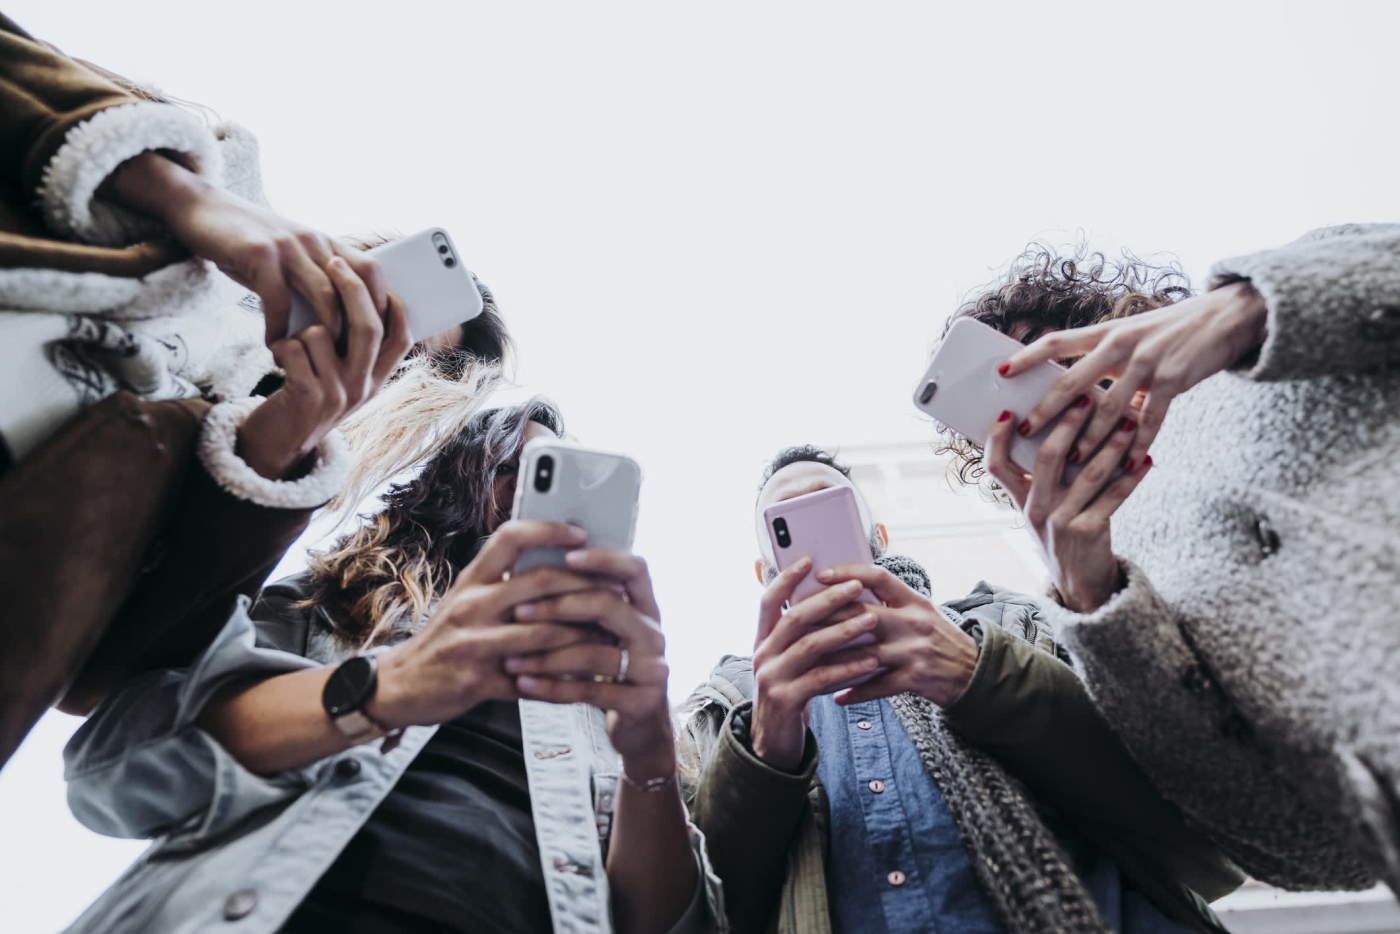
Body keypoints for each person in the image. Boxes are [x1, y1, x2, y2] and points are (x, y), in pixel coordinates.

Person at [0, 12, 507, 766]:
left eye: (403, 362)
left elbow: (102, 680)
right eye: (384, 311)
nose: (373, 344)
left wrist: (285, 437)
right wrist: (181, 197)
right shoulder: (212, 169)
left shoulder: (256, 482)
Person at [62, 400, 724, 934]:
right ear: (458, 481)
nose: (528, 495)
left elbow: (673, 924)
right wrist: (389, 686)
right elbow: (114, 768)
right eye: (510, 467)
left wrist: (650, 763)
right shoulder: (333, 598)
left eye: (550, 476)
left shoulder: (610, 694)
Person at [935, 229, 1400, 892]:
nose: (1041, 401)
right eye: (1000, 413)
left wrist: (1252, 308)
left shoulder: (1267, 335)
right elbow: (1312, 855)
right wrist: (1098, 604)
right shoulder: (1104, 592)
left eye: (1044, 354)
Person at [679, 446, 1241, 934]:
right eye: (787, 525)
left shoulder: (1008, 623)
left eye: (829, 507)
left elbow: (1191, 821)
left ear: (878, 537)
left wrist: (981, 674)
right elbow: (710, 912)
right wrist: (763, 754)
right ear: (764, 572)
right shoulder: (727, 708)